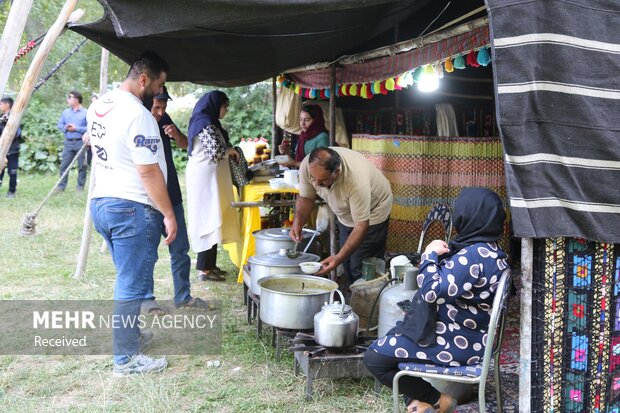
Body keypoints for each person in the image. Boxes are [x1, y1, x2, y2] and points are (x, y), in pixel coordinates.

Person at [364, 187, 509, 413]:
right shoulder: (493, 252)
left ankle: (439, 401)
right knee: (398, 335)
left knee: (375, 357)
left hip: (457, 344)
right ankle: (419, 404)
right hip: (471, 338)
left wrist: (429, 254)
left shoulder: (474, 256)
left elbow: (432, 290)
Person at [87, 51, 177, 376]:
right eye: (158, 84)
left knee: (130, 279)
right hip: (130, 208)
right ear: (143, 80)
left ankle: (132, 336)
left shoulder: (99, 106)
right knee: (131, 285)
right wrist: (169, 214)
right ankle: (125, 359)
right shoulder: (139, 115)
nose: (159, 91)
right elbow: (148, 173)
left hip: (103, 204)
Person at [144, 86, 207, 311]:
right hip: (147, 198)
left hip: (171, 194)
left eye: (164, 107)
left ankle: (183, 296)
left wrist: (175, 134)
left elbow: (183, 144)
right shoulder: (138, 118)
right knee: (148, 253)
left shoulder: (163, 118)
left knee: (180, 248)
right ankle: (147, 300)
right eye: (157, 107)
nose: (160, 112)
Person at [291, 146, 393, 283]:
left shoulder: (356, 180)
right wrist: (297, 222)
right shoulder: (308, 166)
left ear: (336, 172)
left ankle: (370, 301)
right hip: (347, 214)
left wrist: (338, 257)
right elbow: (306, 197)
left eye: (322, 180)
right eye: (314, 178)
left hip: (374, 210)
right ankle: (355, 297)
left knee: (361, 267)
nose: (316, 183)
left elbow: (361, 225)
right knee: (348, 263)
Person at [186, 91, 240, 282]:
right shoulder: (204, 123)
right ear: (216, 105)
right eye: (225, 106)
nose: (225, 111)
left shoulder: (209, 121)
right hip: (204, 180)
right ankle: (204, 269)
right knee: (207, 220)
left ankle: (210, 265)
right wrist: (230, 150)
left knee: (213, 217)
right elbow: (216, 152)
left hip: (210, 178)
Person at [57, 90, 88, 192]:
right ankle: (61, 187)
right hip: (68, 142)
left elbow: (89, 128)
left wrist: (76, 128)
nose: (68, 100)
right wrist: (66, 127)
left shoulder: (86, 113)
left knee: (82, 166)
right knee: (64, 166)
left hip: (81, 143)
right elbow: (60, 125)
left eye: (69, 98)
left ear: (76, 99)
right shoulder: (65, 112)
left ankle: (80, 187)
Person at [0, 97, 21, 198]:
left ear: (7, 105)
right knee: (0, 171)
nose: (0, 106)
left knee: (12, 172)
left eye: (1, 104)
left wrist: (9, 123)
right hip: (2, 150)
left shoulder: (15, 117)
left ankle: (11, 192)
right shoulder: (1, 117)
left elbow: (17, 134)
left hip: (12, 150)